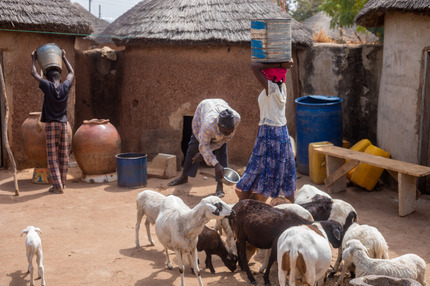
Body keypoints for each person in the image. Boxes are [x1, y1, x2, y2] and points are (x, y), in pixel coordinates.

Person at [235, 60, 296, 202]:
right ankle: (294, 208)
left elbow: (254, 66)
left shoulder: (271, 88)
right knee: (285, 169)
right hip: (282, 133)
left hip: (269, 132)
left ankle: (238, 209)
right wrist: (282, 65)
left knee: (254, 169)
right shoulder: (282, 87)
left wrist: (280, 65)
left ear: (269, 77)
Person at [168, 99, 240, 198]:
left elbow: (224, 140)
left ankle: (220, 185)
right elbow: (203, 145)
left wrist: (209, 158)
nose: (228, 134)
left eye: (230, 131)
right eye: (225, 131)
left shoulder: (236, 119)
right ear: (218, 125)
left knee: (222, 153)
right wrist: (212, 161)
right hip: (201, 117)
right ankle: (184, 176)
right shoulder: (208, 125)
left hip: (219, 106)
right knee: (193, 148)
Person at [31, 48, 74, 194]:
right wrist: (64, 57)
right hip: (63, 124)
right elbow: (72, 73)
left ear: (48, 78)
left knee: (52, 157)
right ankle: (62, 182)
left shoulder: (47, 86)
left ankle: (57, 186)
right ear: (59, 78)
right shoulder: (65, 86)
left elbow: (34, 73)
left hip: (51, 125)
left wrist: (33, 59)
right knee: (64, 155)